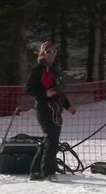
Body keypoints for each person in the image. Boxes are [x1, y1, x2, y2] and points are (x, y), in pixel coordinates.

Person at [26, 41, 76, 182]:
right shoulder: (39, 69)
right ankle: (48, 172)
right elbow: (29, 88)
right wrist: (44, 93)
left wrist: (68, 106)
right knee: (51, 138)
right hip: (44, 107)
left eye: (54, 51)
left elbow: (59, 90)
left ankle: (35, 170)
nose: (52, 54)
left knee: (50, 139)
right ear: (43, 53)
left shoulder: (55, 69)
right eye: (49, 52)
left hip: (56, 107)